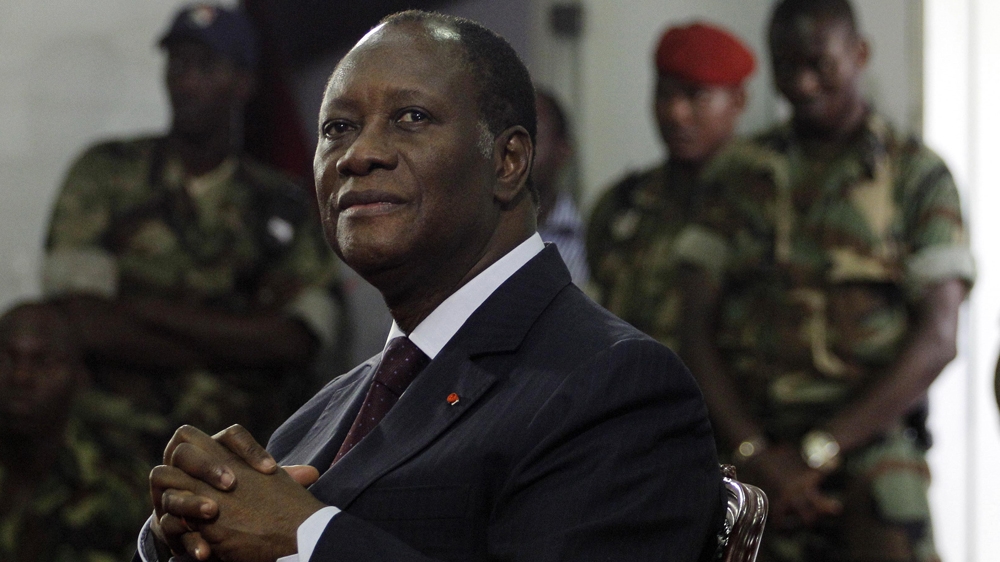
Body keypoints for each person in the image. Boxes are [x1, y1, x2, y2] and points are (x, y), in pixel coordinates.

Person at [136, 10, 723, 562]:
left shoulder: (615, 387)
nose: (359, 154)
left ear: (509, 161)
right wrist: (192, 531)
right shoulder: (318, 417)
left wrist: (305, 538)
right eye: (337, 127)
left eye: (411, 118)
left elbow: (292, 534)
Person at [675, 1, 976, 561]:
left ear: (859, 54)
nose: (802, 83)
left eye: (820, 64)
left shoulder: (916, 175)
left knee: (891, 495)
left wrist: (820, 450)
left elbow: (939, 337)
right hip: (748, 438)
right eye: (786, 67)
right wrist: (757, 450)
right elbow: (694, 327)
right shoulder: (737, 175)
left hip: (867, 440)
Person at [42, 3, 341, 449]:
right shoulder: (106, 173)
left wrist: (144, 311)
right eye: (178, 64)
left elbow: (299, 341)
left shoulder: (284, 203)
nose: (187, 81)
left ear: (244, 82)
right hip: (107, 445)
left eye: (206, 66)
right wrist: (237, 345)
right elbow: (80, 320)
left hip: (238, 452)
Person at [586, 22, 754, 352]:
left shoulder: (761, 201)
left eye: (696, 95)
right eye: (665, 94)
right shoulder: (624, 203)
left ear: (737, 100)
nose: (676, 114)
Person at [0, 303, 160, 562]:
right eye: (6, 358)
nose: (21, 377)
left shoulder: (124, 485)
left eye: (44, 361)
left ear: (80, 378)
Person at [533, 89, 589, 285]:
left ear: (563, 150)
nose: (515, 149)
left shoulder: (587, 240)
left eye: (533, 138)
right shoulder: (480, 238)